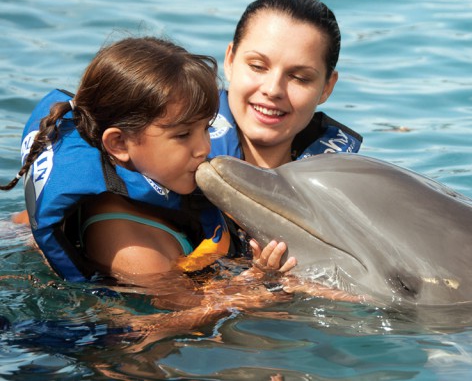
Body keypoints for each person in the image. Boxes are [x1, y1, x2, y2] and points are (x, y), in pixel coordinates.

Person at [1, 36, 294, 290]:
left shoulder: (142, 185)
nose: (204, 147)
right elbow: (162, 325)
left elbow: (21, 223)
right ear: (118, 144)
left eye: (206, 128)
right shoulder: (134, 249)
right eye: (182, 135)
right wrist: (260, 284)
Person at [209, 0, 362, 168]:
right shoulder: (174, 164)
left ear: (327, 88)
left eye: (300, 77)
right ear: (230, 61)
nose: (273, 90)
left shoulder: (342, 183)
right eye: (257, 66)